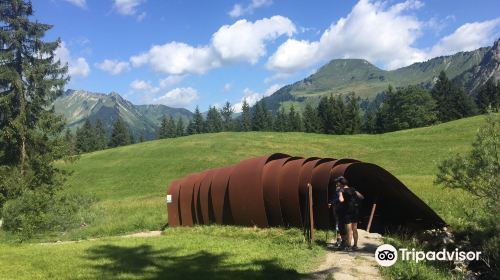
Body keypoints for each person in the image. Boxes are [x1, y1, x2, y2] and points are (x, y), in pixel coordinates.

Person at [337, 176, 364, 250]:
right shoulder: (353, 189)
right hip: (355, 211)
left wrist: (340, 194)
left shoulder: (341, 190)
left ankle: (348, 246)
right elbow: (361, 197)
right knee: (354, 228)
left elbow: (341, 200)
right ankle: (355, 245)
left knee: (349, 229)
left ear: (341, 184)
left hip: (347, 212)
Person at [328, 182, 343, 247]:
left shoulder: (340, 191)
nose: (336, 185)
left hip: (339, 209)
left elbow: (340, 199)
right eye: (336, 184)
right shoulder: (337, 191)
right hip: (336, 209)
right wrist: (331, 202)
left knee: (339, 225)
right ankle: (339, 241)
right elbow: (334, 198)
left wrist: (332, 203)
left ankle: (340, 241)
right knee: (337, 224)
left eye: (338, 184)